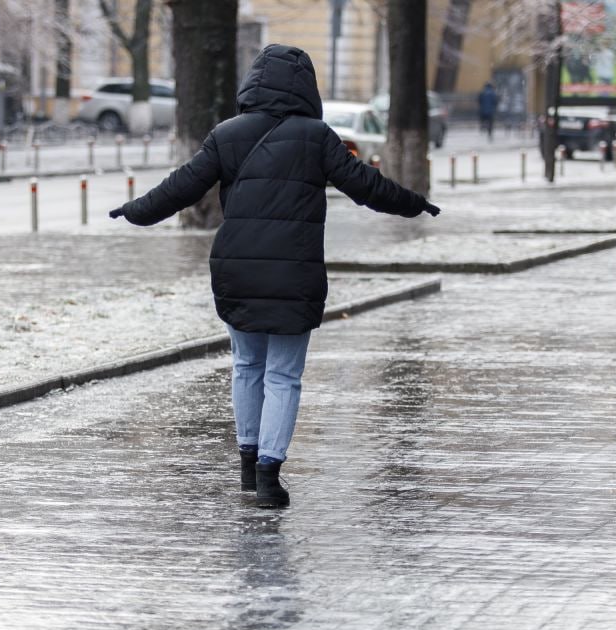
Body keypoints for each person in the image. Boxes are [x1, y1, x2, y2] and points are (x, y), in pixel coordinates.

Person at [108, 44, 440, 508]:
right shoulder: (317, 137)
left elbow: (181, 186)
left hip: (236, 270)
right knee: (283, 374)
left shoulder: (227, 135)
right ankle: (268, 477)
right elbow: (365, 185)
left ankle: (247, 469)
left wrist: (134, 211)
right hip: (294, 275)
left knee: (247, 366)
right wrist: (414, 202)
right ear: (306, 87)